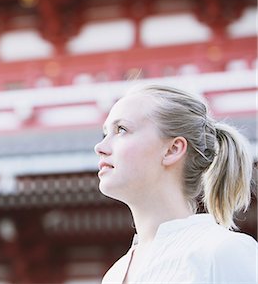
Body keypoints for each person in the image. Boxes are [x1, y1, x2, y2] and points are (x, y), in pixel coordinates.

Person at [94, 84, 257, 283]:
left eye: (121, 129)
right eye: (105, 134)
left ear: (173, 149)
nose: (100, 147)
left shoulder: (222, 252)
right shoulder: (115, 274)